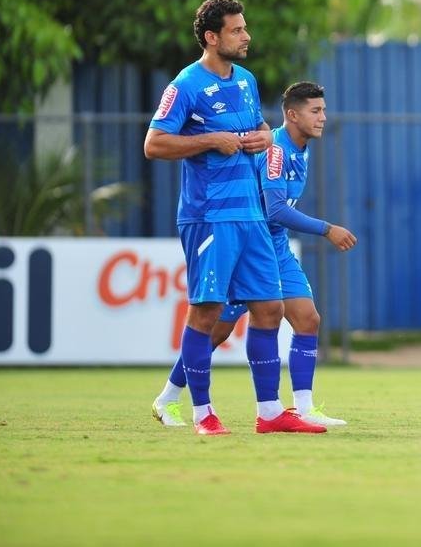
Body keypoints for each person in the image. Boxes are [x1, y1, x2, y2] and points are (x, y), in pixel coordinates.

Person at [144, 0, 324, 435]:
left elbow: (257, 129)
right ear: (212, 37)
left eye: (245, 28)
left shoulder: (245, 80)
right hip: (210, 216)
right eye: (237, 30)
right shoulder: (184, 85)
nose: (247, 36)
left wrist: (263, 138)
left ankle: (269, 414)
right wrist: (208, 141)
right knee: (207, 315)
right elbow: (154, 144)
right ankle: (203, 415)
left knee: (268, 308)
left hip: (251, 216)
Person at [151, 81, 358, 428]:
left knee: (307, 318)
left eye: (323, 110)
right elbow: (275, 209)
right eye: (316, 111)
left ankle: (302, 408)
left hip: (274, 244)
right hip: (252, 241)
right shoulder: (275, 149)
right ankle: (168, 397)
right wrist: (327, 229)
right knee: (216, 330)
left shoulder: (301, 147)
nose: (323, 117)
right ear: (292, 115)